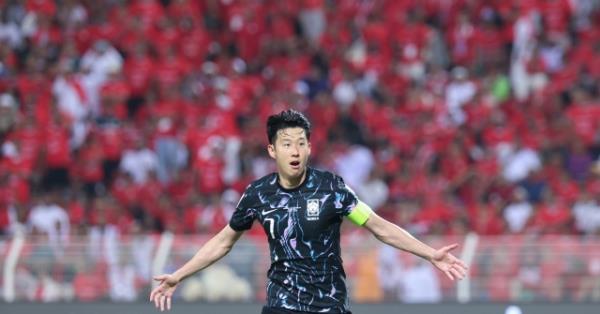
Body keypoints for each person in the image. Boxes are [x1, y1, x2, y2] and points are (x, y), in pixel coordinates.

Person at [150, 110, 468, 313]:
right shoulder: (258, 194)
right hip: (282, 305)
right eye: (287, 143)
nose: (295, 151)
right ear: (272, 150)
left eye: (301, 143)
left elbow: (376, 225)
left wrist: (430, 254)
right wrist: (178, 275)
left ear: (310, 148)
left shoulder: (332, 189)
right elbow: (223, 242)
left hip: (329, 306)